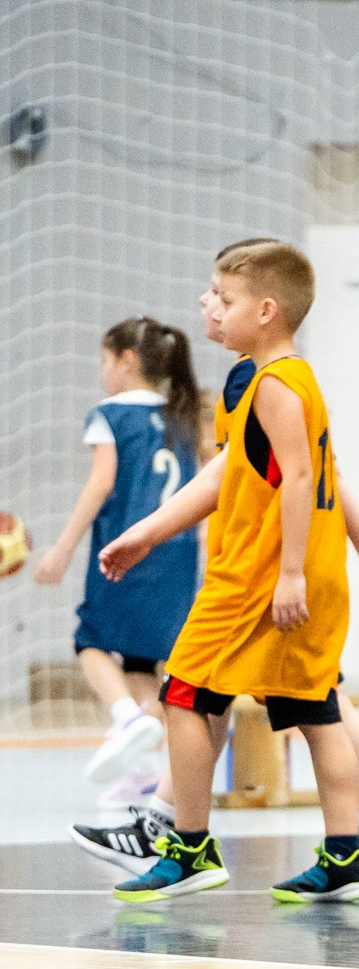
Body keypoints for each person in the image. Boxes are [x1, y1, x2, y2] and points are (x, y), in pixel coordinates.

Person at [96, 240, 359, 904]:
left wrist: (290, 572)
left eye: (224, 296)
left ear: (265, 310)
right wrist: (150, 531)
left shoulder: (274, 385)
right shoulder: (268, 378)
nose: (209, 304)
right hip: (292, 572)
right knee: (314, 709)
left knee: (183, 692)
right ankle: (348, 855)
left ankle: (186, 848)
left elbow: (301, 476)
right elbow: (233, 473)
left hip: (263, 578)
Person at [31, 316, 206, 808]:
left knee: (89, 639)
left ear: (126, 362)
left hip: (127, 547)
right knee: (142, 658)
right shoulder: (183, 414)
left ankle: (129, 718)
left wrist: (63, 545)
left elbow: (101, 483)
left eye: (104, 359)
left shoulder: (109, 413)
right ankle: (149, 773)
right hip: (178, 549)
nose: (101, 370)